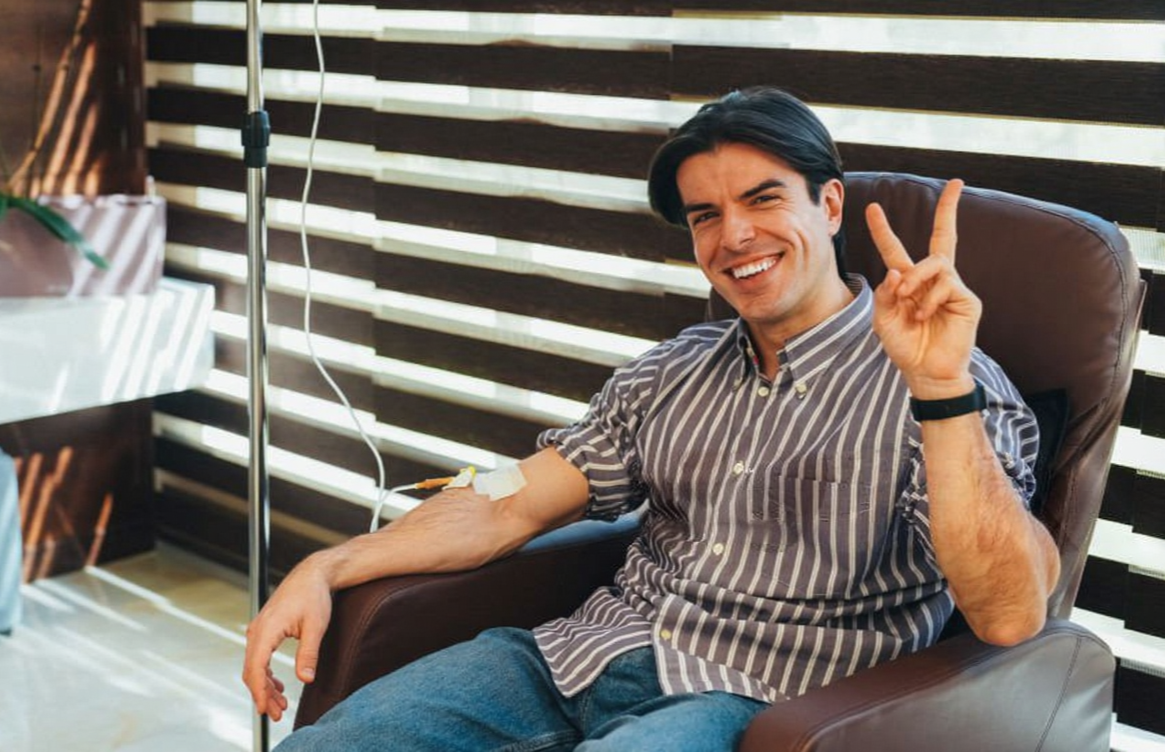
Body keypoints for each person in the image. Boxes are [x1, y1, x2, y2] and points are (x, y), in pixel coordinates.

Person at [243, 87, 1060, 751]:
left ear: (831, 204)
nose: (733, 234)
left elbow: (1009, 613)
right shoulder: (669, 370)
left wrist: (938, 387)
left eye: (762, 198)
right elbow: (511, 496)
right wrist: (331, 564)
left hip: (751, 699)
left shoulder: (949, 384)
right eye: (705, 215)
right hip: (574, 657)